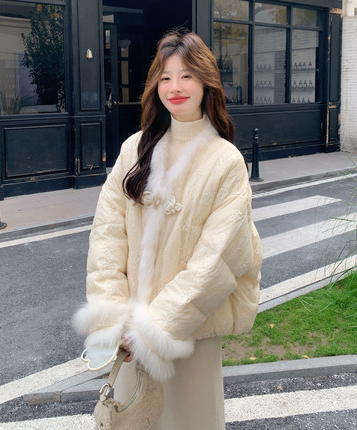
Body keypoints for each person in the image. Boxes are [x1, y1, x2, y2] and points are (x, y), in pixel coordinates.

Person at [74, 30, 262, 429]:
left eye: (186, 76)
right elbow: (107, 235)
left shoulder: (225, 162)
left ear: (206, 82)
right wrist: (115, 317)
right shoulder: (134, 149)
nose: (175, 87)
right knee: (133, 419)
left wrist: (154, 329)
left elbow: (217, 261)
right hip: (129, 334)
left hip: (188, 334)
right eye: (165, 77)